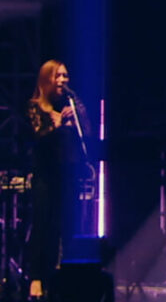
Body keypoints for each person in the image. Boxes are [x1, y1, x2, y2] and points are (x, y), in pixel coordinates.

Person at [25, 60, 91, 299]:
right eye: (58, 76)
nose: (63, 80)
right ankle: (36, 277)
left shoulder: (68, 107)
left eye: (66, 75)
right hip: (45, 175)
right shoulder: (36, 107)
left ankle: (61, 275)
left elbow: (86, 137)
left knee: (65, 226)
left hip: (67, 174)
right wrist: (60, 125)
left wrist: (78, 118)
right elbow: (38, 138)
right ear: (47, 79)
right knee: (43, 225)